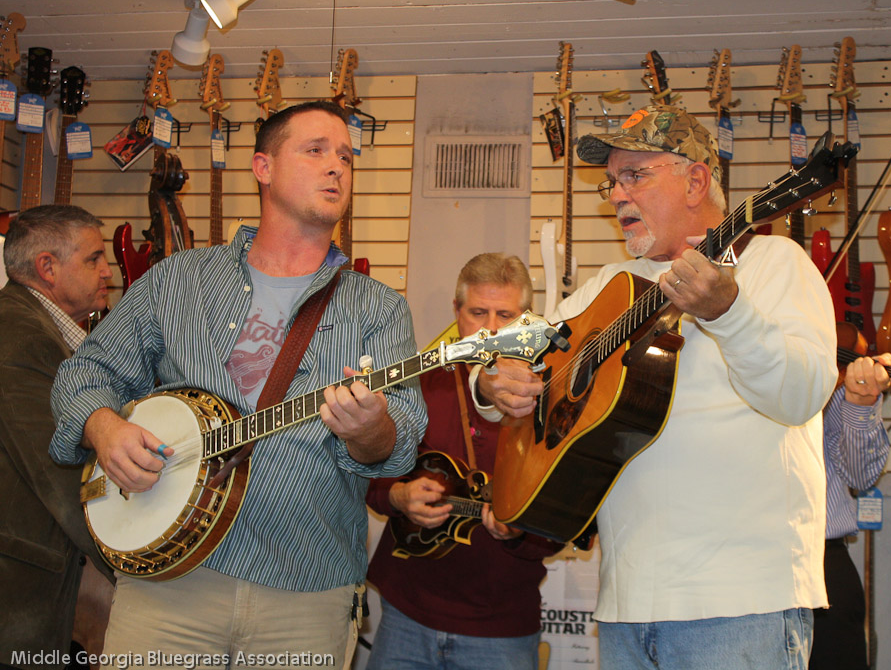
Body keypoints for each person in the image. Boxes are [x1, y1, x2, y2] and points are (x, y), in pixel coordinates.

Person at [48, 101, 428, 668]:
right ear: (262, 167)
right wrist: (104, 429)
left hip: (307, 589)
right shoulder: (178, 281)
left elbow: (398, 446)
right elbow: (86, 373)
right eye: (316, 150)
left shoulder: (379, 309)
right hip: (168, 579)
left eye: (346, 157)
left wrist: (370, 428)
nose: (337, 167)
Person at [473, 104, 837, 669]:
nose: (616, 195)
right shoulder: (611, 285)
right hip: (626, 606)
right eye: (612, 182)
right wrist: (491, 382)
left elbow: (802, 396)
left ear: (695, 180)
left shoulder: (774, 264)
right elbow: (512, 355)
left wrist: (730, 313)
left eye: (635, 176)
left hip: (742, 603)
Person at [364, 252, 563, 670]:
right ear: (456, 312)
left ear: (526, 320)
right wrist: (398, 496)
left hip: (502, 628)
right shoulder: (421, 383)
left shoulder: (553, 401)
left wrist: (519, 532)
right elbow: (370, 474)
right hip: (406, 613)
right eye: (477, 312)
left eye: (505, 315)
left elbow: (561, 521)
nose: (491, 329)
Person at [0, 205, 114, 669]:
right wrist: (139, 570)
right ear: (47, 267)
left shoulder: (43, 330)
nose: (109, 271)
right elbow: (59, 475)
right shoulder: (23, 337)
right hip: (21, 590)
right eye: (94, 259)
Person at [810, 353, 891, 670]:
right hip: (730, 562)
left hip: (823, 564)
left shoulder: (821, 357)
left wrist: (860, 403)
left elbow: (861, 475)